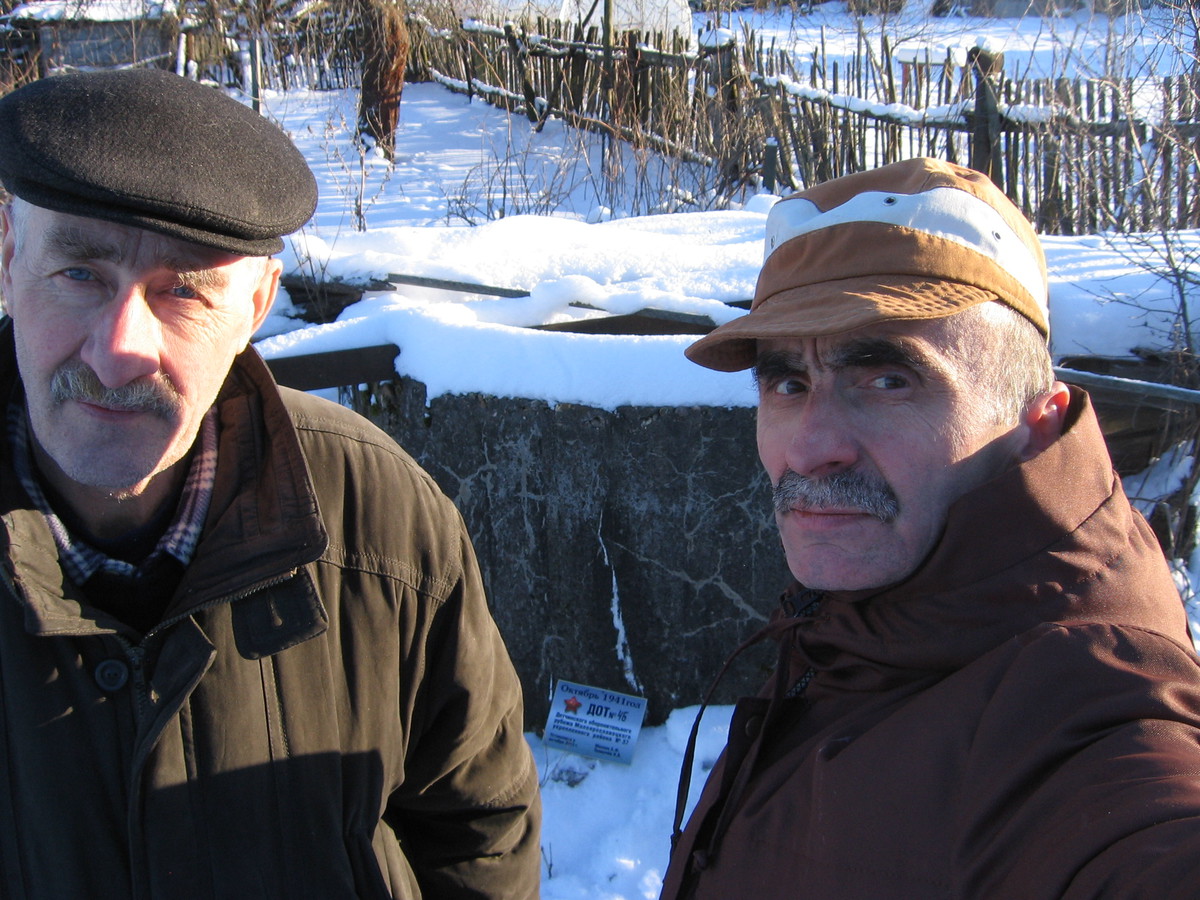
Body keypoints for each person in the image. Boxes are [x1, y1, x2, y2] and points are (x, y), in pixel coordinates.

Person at [0, 68, 540, 898]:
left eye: (183, 290)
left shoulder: (381, 518)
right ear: (8, 257)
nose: (117, 352)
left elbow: (480, 833)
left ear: (256, 306)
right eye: (79, 274)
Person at [661, 157, 1200, 899]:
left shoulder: (1082, 704)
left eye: (889, 380)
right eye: (789, 382)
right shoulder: (864, 627)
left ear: (1038, 424)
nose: (810, 448)